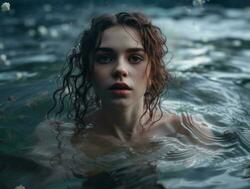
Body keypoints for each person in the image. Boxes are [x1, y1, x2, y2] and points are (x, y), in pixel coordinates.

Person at [34, 11, 213, 176]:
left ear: (153, 73)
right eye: (105, 58)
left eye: (135, 58)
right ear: (89, 73)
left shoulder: (186, 131)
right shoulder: (59, 135)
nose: (120, 69)